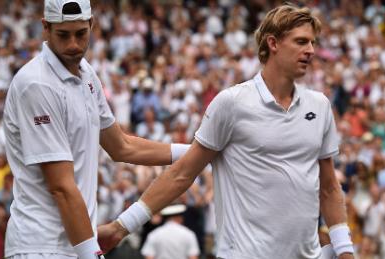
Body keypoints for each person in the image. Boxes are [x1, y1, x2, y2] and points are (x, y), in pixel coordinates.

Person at [98, 4, 355, 259]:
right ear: (273, 43)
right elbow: (182, 173)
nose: (310, 50)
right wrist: (123, 226)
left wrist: (345, 251)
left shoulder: (319, 106)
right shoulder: (231, 103)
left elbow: (330, 187)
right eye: (301, 42)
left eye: (312, 42)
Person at [2, 1, 189, 259]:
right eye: (63, 35)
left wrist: (194, 152)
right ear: (46, 28)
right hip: (41, 247)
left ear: (92, 25)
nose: (73, 45)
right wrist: (92, 255)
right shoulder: (36, 84)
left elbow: (122, 146)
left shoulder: (87, 74)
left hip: (72, 245)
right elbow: (62, 187)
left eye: (80, 34)